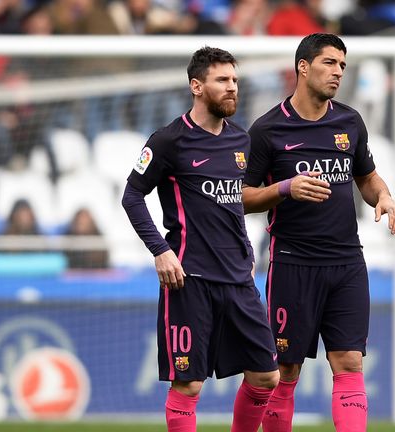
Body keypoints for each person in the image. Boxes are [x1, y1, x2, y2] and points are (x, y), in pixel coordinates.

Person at [242, 33, 395, 432]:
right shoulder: (268, 130)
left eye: (342, 66)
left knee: (349, 362)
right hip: (293, 264)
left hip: (347, 262)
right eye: (330, 63)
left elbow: (366, 177)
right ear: (303, 66)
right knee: (285, 369)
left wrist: (383, 196)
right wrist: (285, 188)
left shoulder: (349, 121)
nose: (338, 72)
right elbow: (241, 197)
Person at [121, 47, 278, 432]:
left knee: (267, 376)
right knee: (188, 383)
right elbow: (131, 195)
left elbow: (235, 203)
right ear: (197, 85)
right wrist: (160, 250)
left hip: (239, 279)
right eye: (222, 80)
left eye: (235, 81)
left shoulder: (242, 142)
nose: (232, 89)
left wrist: (245, 247)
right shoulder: (168, 141)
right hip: (189, 280)